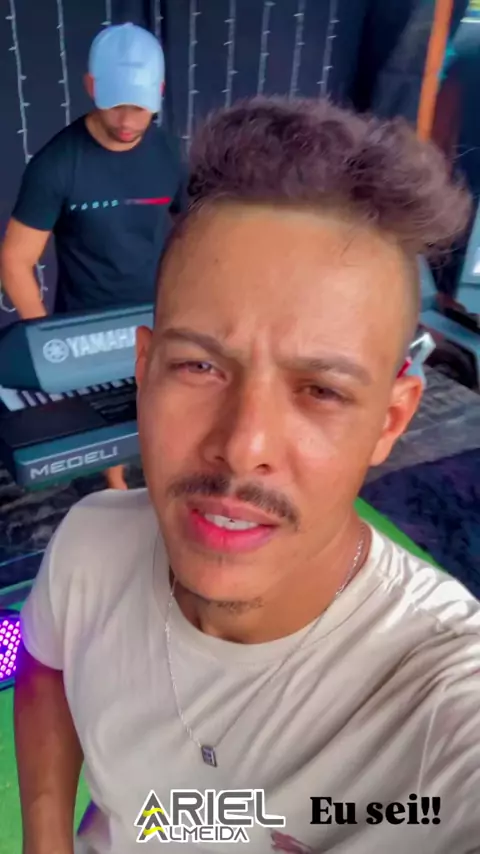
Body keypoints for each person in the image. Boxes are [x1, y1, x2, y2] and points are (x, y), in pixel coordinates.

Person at [14, 97, 480, 854]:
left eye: (320, 390)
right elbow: (44, 664)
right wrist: (47, 840)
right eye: (199, 366)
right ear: (145, 371)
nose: (242, 446)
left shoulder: (441, 697)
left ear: (390, 421)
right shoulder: (90, 545)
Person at [0, 22, 186, 491]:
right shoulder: (57, 164)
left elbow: (193, 227)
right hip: (87, 329)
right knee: (107, 454)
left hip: (156, 314)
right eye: (115, 103)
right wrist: (49, 349)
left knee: (163, 423)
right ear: (90, 86)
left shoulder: (168, 153)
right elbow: (15, 260)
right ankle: (113, 490)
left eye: (138, 107)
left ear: (159, 94)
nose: (126, 120)